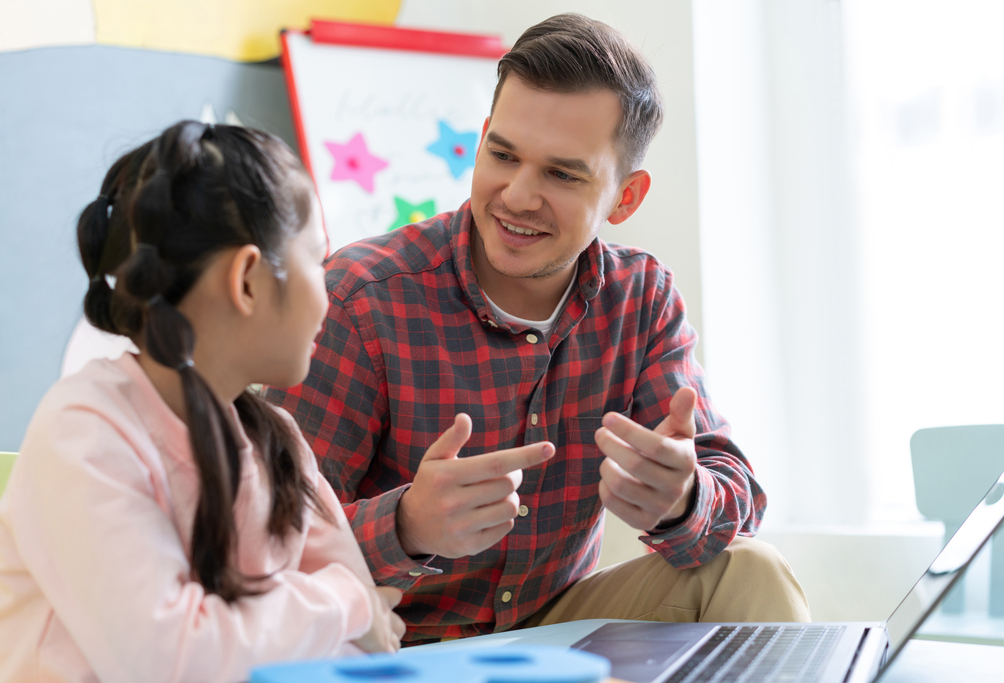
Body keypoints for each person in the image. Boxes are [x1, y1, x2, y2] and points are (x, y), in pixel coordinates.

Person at [267, 13, 809, 644]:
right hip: (387, 643)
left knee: (751, 572)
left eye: (562, 173)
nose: (518, 196)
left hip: (553, 633)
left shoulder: (642, 300)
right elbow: (271, 547)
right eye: (503, 155)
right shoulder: (359, 299)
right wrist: (408, 524)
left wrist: (686, 497)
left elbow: (738, 496)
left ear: (625, 198)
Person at [0, 121, 405, 683]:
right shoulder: (84, 432)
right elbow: (175, 660)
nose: (330, 290)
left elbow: (370, 646)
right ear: (246, 280)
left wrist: (336, 610)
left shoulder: (275, 438)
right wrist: (342, 603)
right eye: (319, 259)